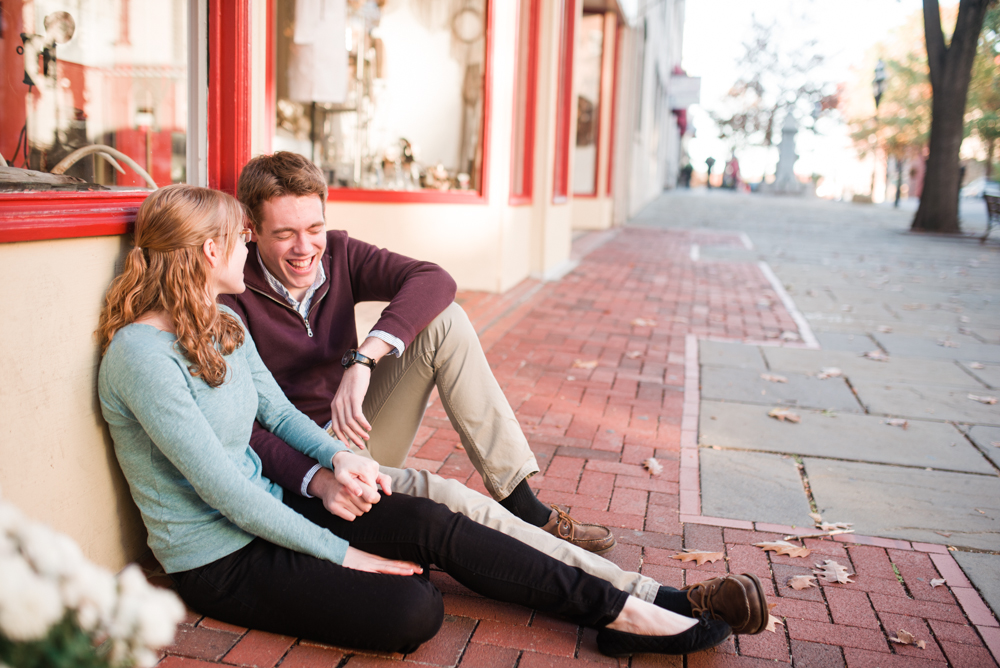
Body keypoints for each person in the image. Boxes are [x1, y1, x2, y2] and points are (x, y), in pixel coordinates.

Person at [96, 184, 744, 656]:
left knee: (437, 521)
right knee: (414, 609)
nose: (251, 247)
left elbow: (279, 412)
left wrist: (338, 457)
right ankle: (618, 602)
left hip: (276, 505)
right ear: (210, 250)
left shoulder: (222, 322)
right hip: (220, 559)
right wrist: (349, 557)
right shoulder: (140, 359)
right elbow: (223, 491)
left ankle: (627, 611)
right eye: (243, 236)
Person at [219, 152, 771, 624]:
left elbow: (435, 279)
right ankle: (651, 598)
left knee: (445, 320)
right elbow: (240, 426)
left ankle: (521, 501)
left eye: (313, 228)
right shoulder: (228, 295)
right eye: (285, 234)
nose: (304, 248)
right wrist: (319, 471)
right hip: (314, 469)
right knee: (458, 506)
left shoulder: (337, 252)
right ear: (251, 230)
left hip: (355, 425)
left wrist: (364, 358)